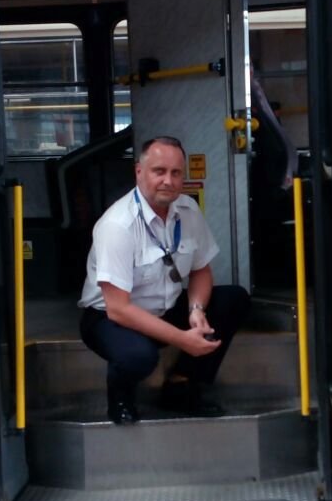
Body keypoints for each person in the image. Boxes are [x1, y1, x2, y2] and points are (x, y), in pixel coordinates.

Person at [78, 136, 249, 423]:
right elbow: (118, 308)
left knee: (235, 299)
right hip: (110, 319)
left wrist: (196, 311)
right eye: (159, 171)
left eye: (175, 173)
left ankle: (181, 385)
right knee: (139, 357)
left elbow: (200, 270)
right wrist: (183, 339)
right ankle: (119, 397)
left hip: (164, 308)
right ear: (139, 172)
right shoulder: (118, 225)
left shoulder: (187, 210)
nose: (168, 181)